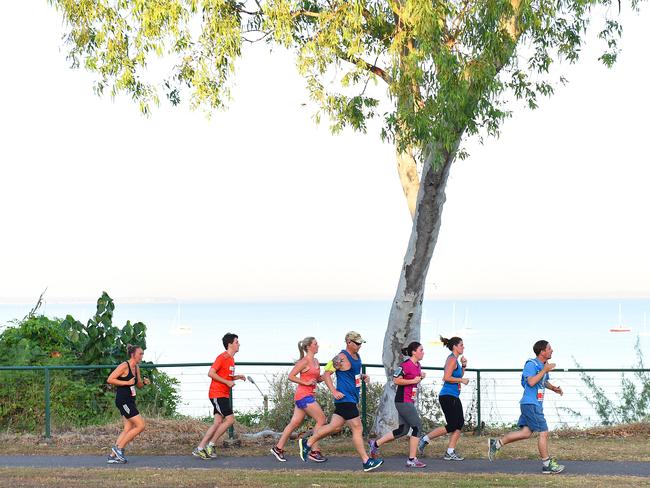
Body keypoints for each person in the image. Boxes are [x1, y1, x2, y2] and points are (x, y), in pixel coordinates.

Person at [299, 331, 383, 472]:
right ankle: (366, 461)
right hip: (345, 399)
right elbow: (326, 375)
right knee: (357, 428)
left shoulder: (357, 356)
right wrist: (334, 391)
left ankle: (308, 442)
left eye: (361, 343)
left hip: (351, 398)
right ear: (348, 342)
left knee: (335, 426)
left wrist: (362, 376)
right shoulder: (341, 357)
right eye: (357, 343)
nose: (359, 345)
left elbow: (352, 374)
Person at [488, 340, 565, 474]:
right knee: (543, 432)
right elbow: (531, 382)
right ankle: (547, 464)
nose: (552, 350)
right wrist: (545, 370)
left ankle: (496, 444)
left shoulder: (542, 365)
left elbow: (543, 381)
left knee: (526, 433)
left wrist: (553, 388)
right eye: (549, 348)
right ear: (542, 351)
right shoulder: (531, 364)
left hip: (533, 404)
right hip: (531, 404)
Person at [368, 341, 426, 468]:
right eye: (421, 350)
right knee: (417, 427)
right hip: (402, 400)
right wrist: (413, 380)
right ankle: (411, 459)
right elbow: (396, 379)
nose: (423, 352)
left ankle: (375, 444)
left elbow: (413, 380)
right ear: (413, 352)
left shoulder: (418, 365)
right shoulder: (405, 365)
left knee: (403, 430)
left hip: (409, 400)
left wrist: (420, 377)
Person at [271, 337, 327, 462]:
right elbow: (290, 376)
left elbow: (317, 379)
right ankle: (314, 450)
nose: (318, 345)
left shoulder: (316, 361)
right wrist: (306, 383)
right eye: (315, 344)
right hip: (303, 396)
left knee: (294, 423)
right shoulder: (304, 361)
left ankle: (278, 448)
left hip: (308, 396)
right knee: (321, 419)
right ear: (308, 347)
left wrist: (330, 372)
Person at [193, 332, 246, 459]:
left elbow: (225, 375)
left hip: (223, 394)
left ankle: (200, 448)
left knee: (217, 423)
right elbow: (211, 373)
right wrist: (227, 382)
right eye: (236, 342)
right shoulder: (222, 357)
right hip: (217, 394)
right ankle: (211, 445)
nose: (239, 344)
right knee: (230, 419)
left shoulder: (232, 359)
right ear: (230, 344)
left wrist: (236, 377)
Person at [418, 336, 468, 461]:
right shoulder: (451, 359)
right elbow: (446, 377)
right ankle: (424, 439)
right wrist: (461, 380)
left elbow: (457, 374)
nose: (463, 347)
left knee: (459, 423)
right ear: (455, 347)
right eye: (461, 345)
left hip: (453, 396)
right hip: (447, 396)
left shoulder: (455, 360)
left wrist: (464, 366)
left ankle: (450, 451)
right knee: (452, 425)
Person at [106, 344, 150, 464]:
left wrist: (144, 383)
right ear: (133, 354)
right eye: (140, 353)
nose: (142, 356)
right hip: (123, 401)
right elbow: (110, 379)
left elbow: (138, 385)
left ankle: (112, 456)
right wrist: (126, 383)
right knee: (140, 426)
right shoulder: (124, 366)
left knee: (128, 428)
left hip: (130, 401)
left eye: (142, 354)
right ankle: (119, 448)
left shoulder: (136, 368)